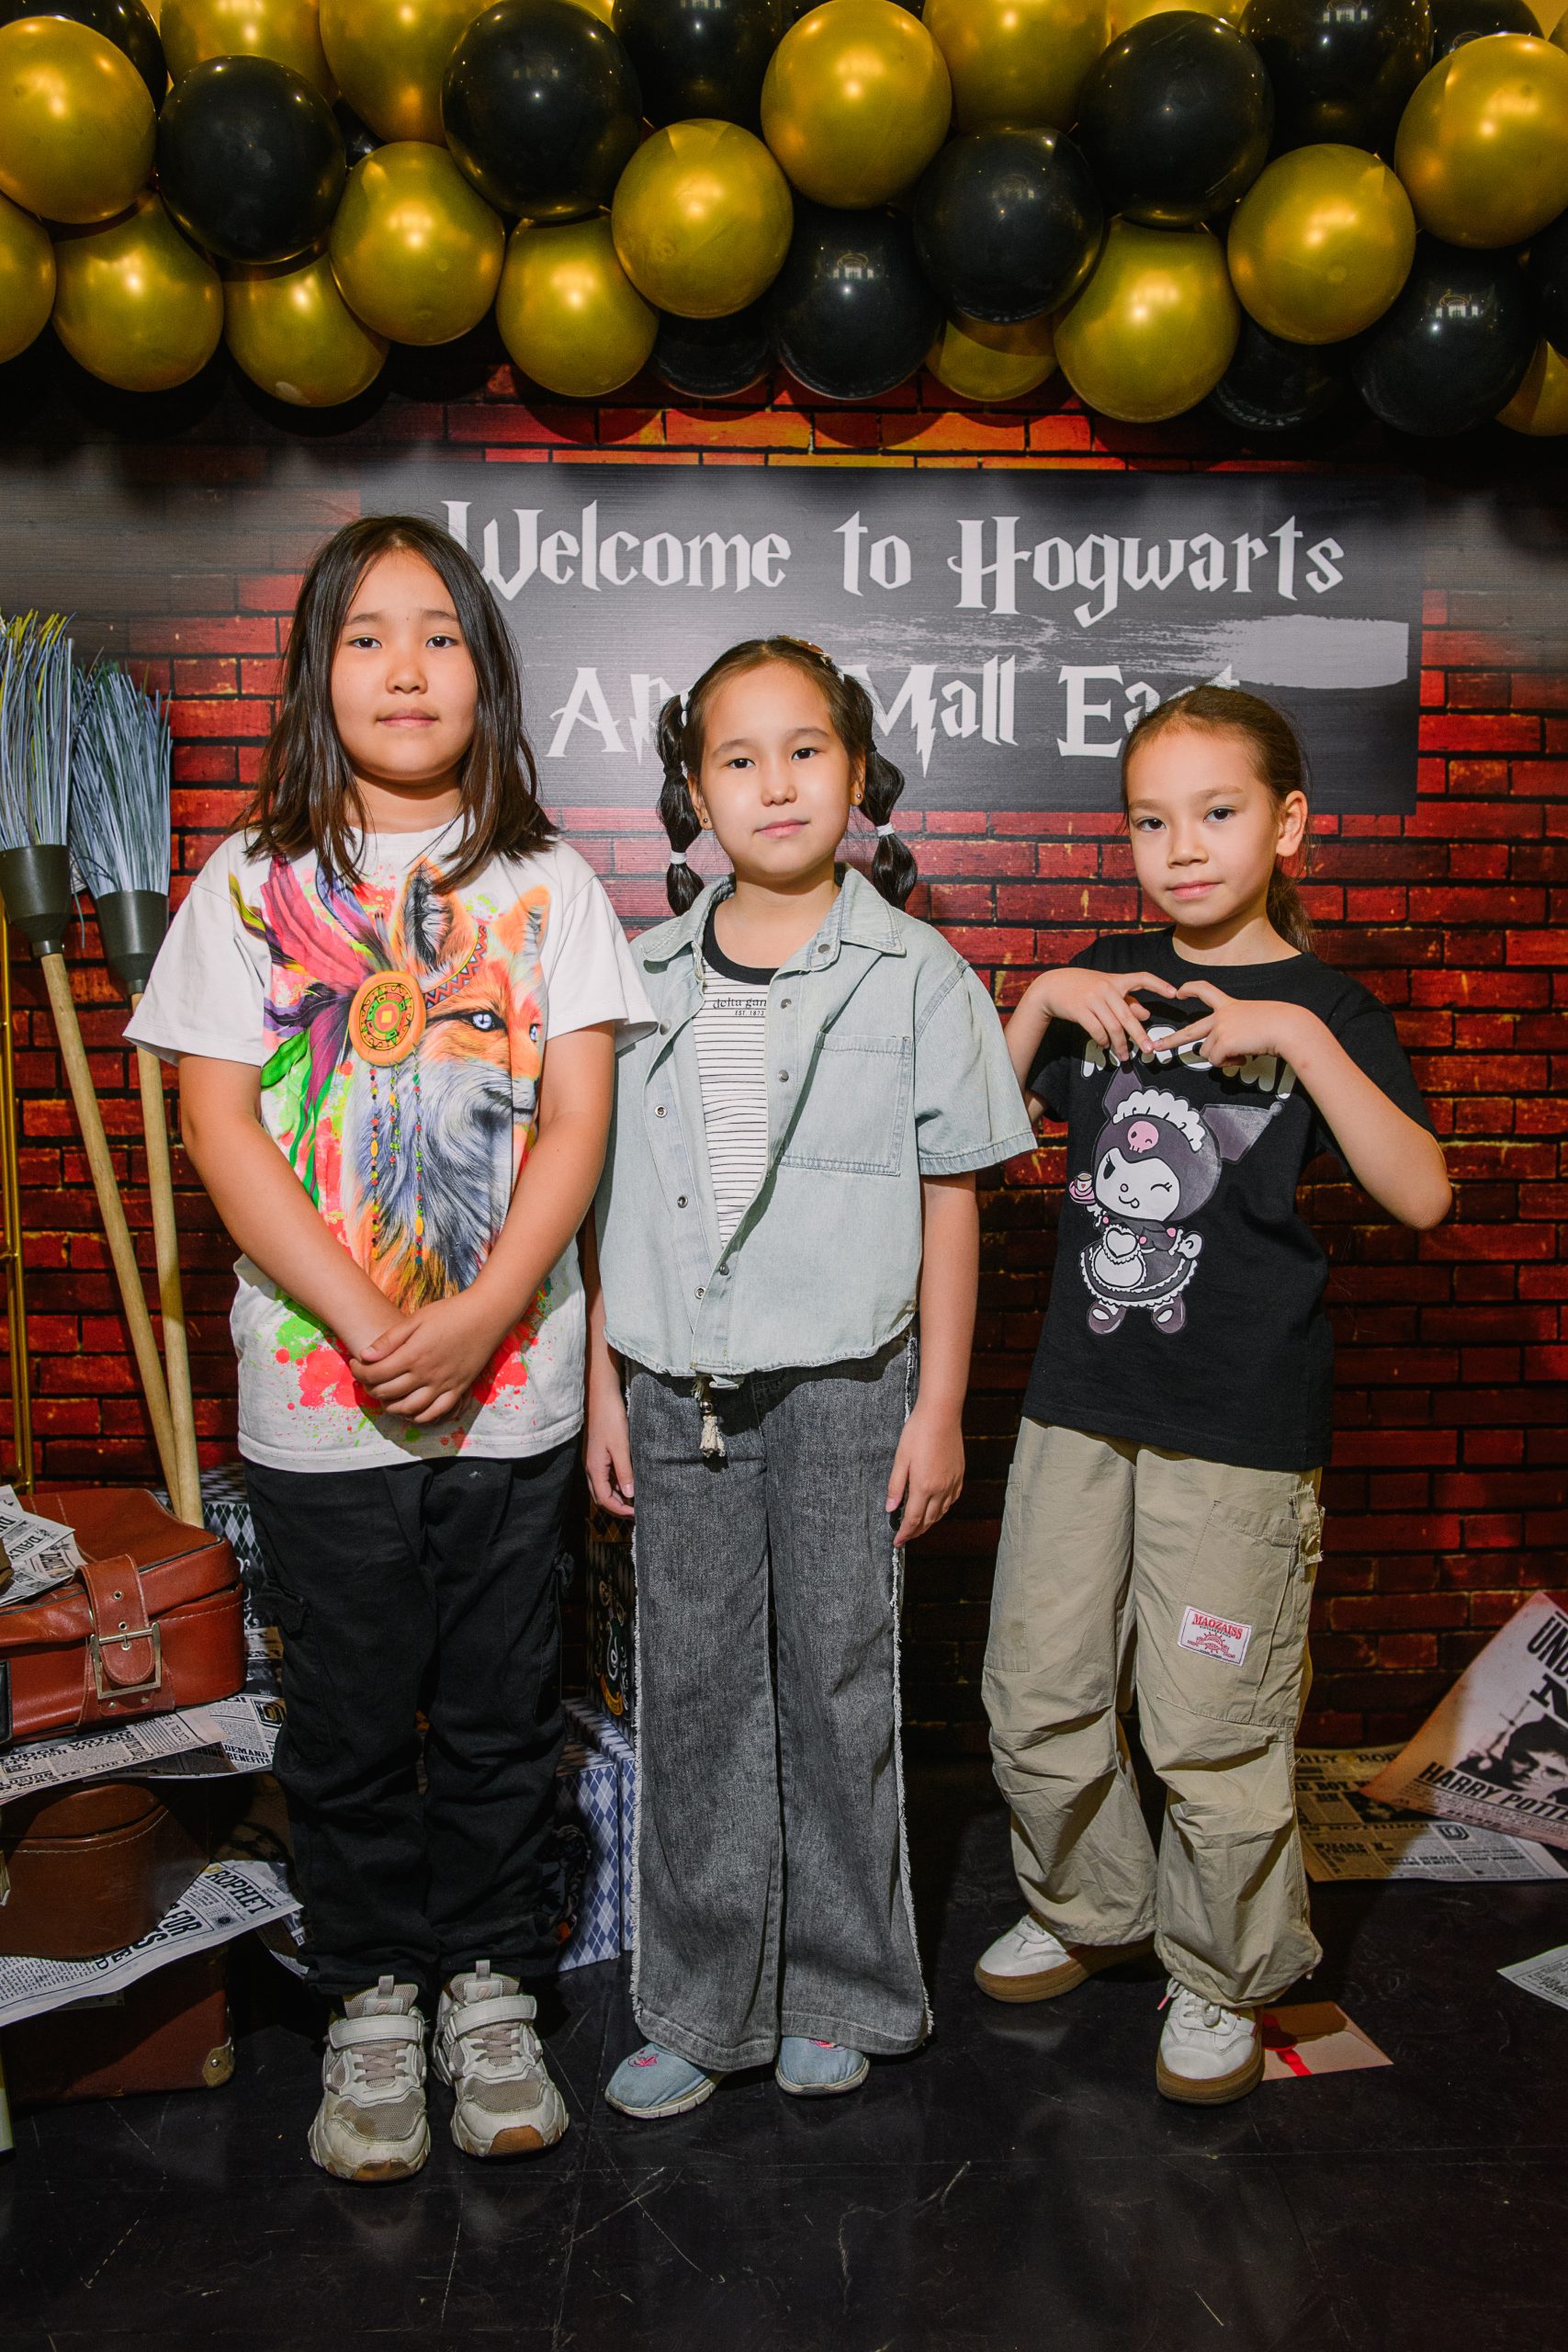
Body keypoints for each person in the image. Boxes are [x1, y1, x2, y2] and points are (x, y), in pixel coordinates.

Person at [128, 514, 650, 2181]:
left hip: (513, 1401)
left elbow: (578, 1121)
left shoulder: (548, 885)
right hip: (320, 1402)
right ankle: (368, 1996)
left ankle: (489, 1987)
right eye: (366, 636)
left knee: (501, 1716)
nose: (405, 668)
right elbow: (218, 1123)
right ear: (316, 675)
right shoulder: (247, 882)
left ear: (484, 673)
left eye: (438, 635)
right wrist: (360, 1317)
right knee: (346, 1723)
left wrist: (487, 1311)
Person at [978, 685, 1451, 2105]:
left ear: (1289, 823)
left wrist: (1294, 1038)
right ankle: (1091, 1909)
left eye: (1218, 811)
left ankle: (1224, 1971)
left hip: (1238, 1431)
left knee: (1209, 1721)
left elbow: (1423, 1193)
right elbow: (966, 1140)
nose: (1181, 846)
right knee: (1038, 1687)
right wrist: (1040, 999)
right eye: (1150, 820)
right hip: (1077, 1407)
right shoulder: (1108, 978)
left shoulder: (1330, 1007)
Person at [584, 636, 1035, 2118]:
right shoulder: (640, 978)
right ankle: (702, 2003)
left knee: (839, 1689)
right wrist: (604, 1389)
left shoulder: (917, 975)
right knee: (697, 1695)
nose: (774, 784)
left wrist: (939, 1405)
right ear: (693, 790)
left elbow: (953, 1199)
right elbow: (610, 1207)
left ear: (857, 776)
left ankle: (844, 1987)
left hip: (851, 1391)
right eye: (738, 757)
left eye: (805, 751)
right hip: (679, 1393)